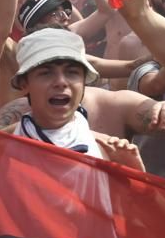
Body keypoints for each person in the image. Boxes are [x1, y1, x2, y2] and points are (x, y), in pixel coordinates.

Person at [11, 28, 144, 169]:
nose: (61, 82)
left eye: (72, 72)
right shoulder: (3, 146)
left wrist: (133, 173)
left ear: (84, 81)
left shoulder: (106, 151)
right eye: (46, 73)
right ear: (24, 84)